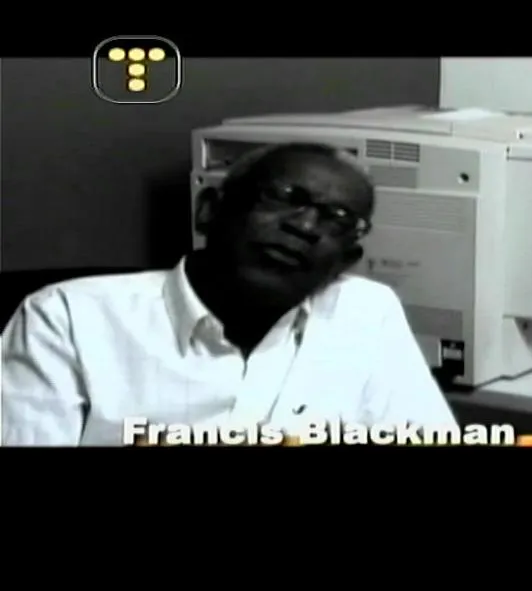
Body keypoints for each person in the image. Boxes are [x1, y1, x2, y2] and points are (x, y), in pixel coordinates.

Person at [2, 143, 457, 445]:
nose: (304, 226)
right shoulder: (67, 317)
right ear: (208, 211)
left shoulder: (365, 312)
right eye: (282, 197)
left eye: (336, 219)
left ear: (345, 260)